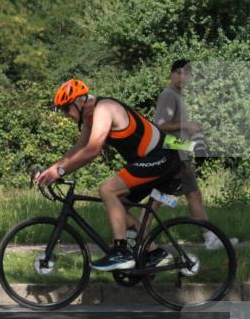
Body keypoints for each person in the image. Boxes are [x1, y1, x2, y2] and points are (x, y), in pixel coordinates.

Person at [35, 79, 182, 271]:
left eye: (66, 109)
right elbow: (79, 148)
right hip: (150, 160)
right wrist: (51, 169)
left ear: (79, 102)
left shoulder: (104, 109)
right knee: (118, 207)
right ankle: (154, 253)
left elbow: (93, 149)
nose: (66, 115)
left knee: (107, 190)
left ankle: (121, 252)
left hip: (162, 156)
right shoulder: (89, 118)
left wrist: (60, 171)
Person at [154, 59, 228, 250]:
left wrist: (191, 131)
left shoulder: (178, 96)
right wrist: (186, 125)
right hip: (175, 155)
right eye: (177, 72)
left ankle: (136, 233)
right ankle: (210, 239)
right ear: (171, 74)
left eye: (185, 73)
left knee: (158, 197)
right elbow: (159, 125)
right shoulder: (169, 95)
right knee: (194, 196)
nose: (181, 76)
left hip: (175, 153)